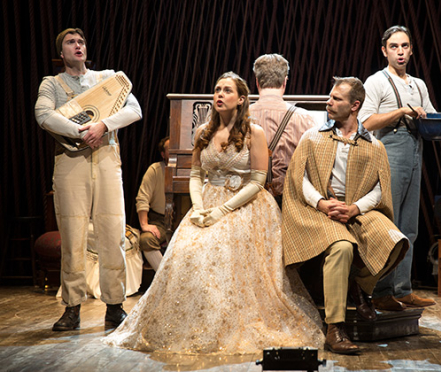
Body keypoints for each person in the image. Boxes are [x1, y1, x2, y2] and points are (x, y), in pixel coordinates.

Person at [105, 72, 324, 354]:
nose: (219, 94)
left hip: (246, 203)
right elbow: (196, 174)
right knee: (187, 252)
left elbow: (258, 180)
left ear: (241, 99)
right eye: (217, 89)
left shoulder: (254, 133)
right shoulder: (203, 132)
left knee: (222, 252)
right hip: (207, 201)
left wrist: (222, 209)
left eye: (227, 90)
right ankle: (192, 322)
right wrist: (198, 207)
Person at [282, 77, 408, 354]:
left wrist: (355, 208)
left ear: (355, 105)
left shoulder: (374, 145)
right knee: (342, 247)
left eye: (336, 99)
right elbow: (298, 179)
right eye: (330, 97)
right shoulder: (313, 137)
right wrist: (321, 203)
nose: (329, 102)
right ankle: (335, 328)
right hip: (318, 211)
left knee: (395, 239)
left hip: (357, 210)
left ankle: (359, 283)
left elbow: (379, 189)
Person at [34, 28, 142, 331]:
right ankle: (71, 307)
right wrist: (81, 131)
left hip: (107, 157)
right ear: (61, 52)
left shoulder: (106, 78)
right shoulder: (52, 83)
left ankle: (114, 306)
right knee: (73, 234)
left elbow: (135, 109)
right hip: (70, 162)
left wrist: (104, 125)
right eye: (71, 42)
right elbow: (43, 114)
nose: (78, 45)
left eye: (81, 41)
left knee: (113, 231)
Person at [359, 25, 441, 310]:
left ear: (412, 50)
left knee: (409, 227)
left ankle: (402, 289)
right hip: (388, 152)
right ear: (384, 51)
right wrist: (402, 111)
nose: (400, 52)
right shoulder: (375, 82)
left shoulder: (418, 85)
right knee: (388, 224)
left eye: (405, 46)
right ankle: (381, 292)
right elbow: (365, 123)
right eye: (394, 47)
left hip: (415, 150)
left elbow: (429, 121)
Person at [249, 54, 317, 207]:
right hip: (289, 205)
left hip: (247, 203)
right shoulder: (304, 118)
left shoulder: (239, 117)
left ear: (257, 82)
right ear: (285, 82)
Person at [136, 136, 170, 271]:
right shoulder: (155, 170)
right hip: (161, 220)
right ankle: (165, 280)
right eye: (170, 149)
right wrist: (144, 224)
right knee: (146, 240)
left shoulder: (194, 169)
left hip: (187, 220)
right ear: (163, 154)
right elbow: (142, 198)